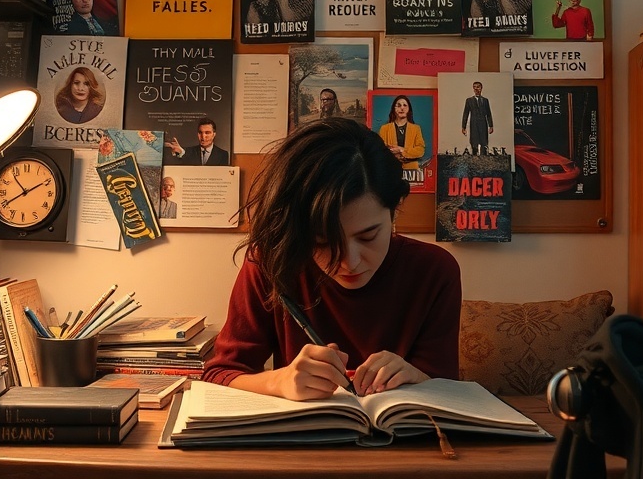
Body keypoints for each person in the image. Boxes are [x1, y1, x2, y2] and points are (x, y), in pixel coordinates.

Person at [202, 118, 461, 400]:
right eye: (321, 242)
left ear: (395, 209)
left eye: (368, 236)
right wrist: (279, 382)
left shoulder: (434, 270)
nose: (350, 262)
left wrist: (418, 377)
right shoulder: (270, 262)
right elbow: (219, 375)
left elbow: (449, 390)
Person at [377, 95, 426, 170]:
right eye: (398, 105)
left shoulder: (416, 128)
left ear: (409, 109)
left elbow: (420, 150)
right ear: (394, 109)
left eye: (405, 105)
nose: (402, 108)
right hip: (390, 168)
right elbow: (380, 150)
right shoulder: (384, 128)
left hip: (411, 169)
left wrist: (401, 150)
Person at [165, 117, 230, 166]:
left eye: (207, 133)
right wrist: (177, 153)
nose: (203, 137)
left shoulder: (223, 154)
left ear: (214, 134)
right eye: (200, 132)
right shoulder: (187, 152)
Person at [461, 81, 493, 155]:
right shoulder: (469, 100)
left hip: (483, 123)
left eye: (478, 87)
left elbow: (488, 113)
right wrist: (463, 127)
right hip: (474, 124)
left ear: (481, 88)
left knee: (484, 142)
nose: (476, 89)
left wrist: (490, 125)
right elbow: (466, 113)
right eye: (474, 87)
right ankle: (474, 159)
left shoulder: (485, 100)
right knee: (474, 142)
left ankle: (483, 160)